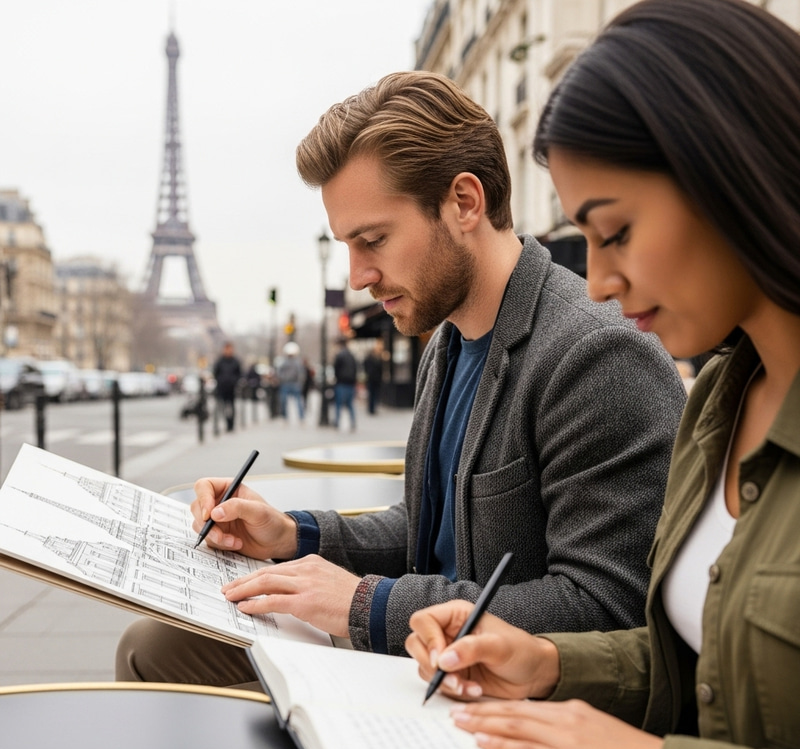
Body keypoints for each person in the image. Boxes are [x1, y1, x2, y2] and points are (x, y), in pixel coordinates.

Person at [115, 70, 685, 688]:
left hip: (487, 689)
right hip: (415, 650)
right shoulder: (447, 340)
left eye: (374, 239)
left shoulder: (594, 354)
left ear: (464, 203)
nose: (358, 275)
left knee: (163, 664)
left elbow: (604, 609)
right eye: (347, 247)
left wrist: (367, 604)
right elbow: (427, 526)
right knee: (155, 643)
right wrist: (292, 534)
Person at [405, 2, 800, 749]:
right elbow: (708, 665)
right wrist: (549, 662)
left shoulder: (605, 357)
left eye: (614, 232)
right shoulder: (722, 396)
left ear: (732, 173)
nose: (601, 282)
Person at [212, 341, 242, 432]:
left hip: (232, 388)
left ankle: (231, 424)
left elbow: (240, 373)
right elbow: (215, 373)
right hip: (222, 387)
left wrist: (234, 381)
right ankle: (227, 424)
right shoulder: (220, 361)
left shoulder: (235, 361)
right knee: (224, 407)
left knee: (232, 406)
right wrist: (220, 380)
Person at [276, 341, 306, 422]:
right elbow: (279, 372)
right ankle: (285, 417)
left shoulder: (297, 362)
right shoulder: (283, 362)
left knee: (298, 402)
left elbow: (301, 373)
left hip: (294, 384)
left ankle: (301, 417)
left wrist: (299, 383)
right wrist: (282, 379)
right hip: (285, 383)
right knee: (283, 401)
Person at [332, 336, 357, 430]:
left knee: (339, 404)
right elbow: (355, 369)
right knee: (350, 405)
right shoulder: (351, 355)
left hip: (341, 383)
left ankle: (337, 422)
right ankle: (353, 423)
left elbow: (336, 369)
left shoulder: (339, 355)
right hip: (350, 383)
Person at [363, 339, 384, 415]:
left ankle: (372, 408)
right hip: (373, 379)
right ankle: (371, 408)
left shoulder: (375, 359)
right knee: (373, 394)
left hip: (373, 379)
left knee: (373, 394)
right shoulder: (374, 359)